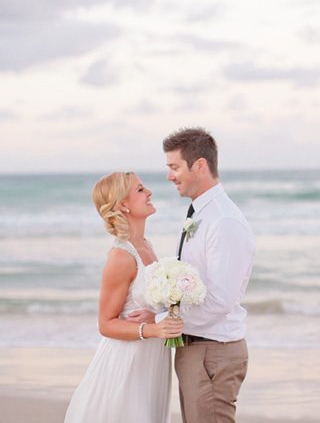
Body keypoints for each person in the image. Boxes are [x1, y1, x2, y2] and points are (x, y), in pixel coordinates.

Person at [64, 172, 183, 423]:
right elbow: (105, 324)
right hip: (126, 365)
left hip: (151, 363)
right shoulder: (121, 256)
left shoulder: (147, 245)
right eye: (140, 190)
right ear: (123, 205)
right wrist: (153, 329)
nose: (149, 192)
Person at [163, 127, 257, 423]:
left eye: (175, 167)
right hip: (197, 349)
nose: (170, 176)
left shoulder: (223, 220)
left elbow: (219, 301)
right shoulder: (201, 213)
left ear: (199, 165)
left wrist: (162, 323)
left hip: (212, 352)